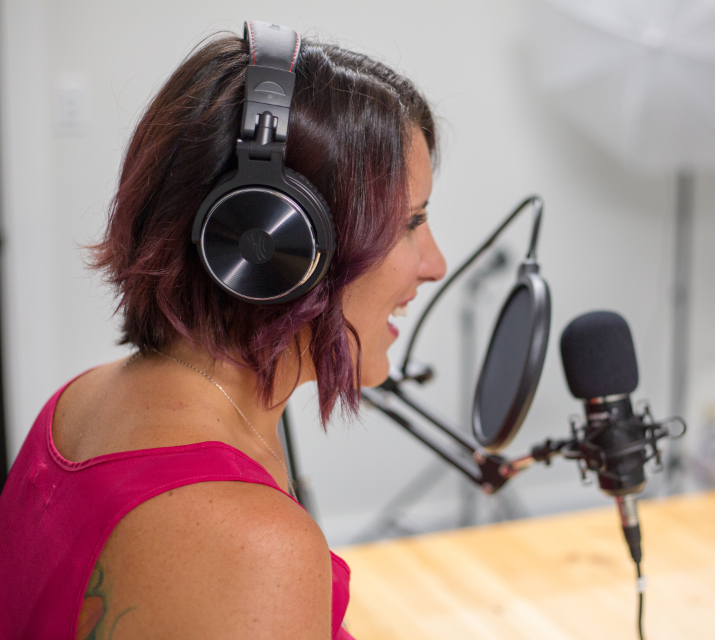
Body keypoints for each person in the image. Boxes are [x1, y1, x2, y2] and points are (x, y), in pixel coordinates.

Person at [0, 22, 445, 640]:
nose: (435, 264)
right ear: (277, 242)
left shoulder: (78, 405)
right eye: (410, 224)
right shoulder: (252, 543)